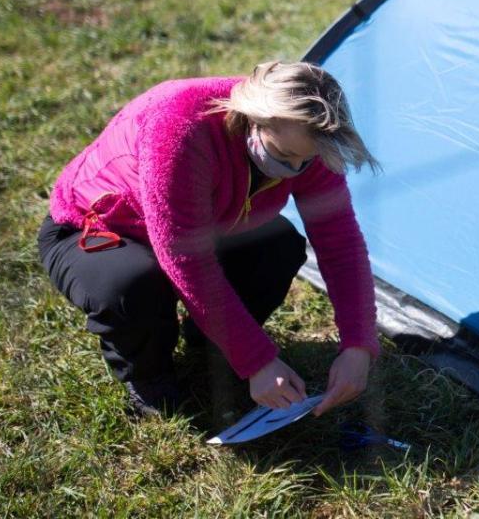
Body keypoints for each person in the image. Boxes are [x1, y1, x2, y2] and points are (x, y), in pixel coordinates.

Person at [37, 61, 379, 418]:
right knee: (131, 284)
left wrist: (358, 343)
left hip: (207, 227)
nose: (295, 169)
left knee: (278, 247)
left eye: (305, 161)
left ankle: (211, 344)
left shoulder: (310, 140)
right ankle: (149, 377)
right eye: (283, 156)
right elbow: (186, 259)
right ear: (251, 119)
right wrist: (257, 360)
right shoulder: (181, 125)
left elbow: (339, 243)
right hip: (102, 230)